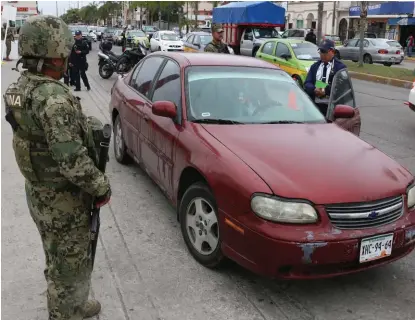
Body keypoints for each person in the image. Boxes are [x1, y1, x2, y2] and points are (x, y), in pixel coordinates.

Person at [3, 15, 111, 319]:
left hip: (38, 191)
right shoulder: (53, 99)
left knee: (56, 253)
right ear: (52, 54)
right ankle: (67, 312)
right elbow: (73, 161)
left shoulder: (20, 87)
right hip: (63, 198)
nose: (65, 60)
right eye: (63, 54)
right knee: (70, 263)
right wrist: (101, 187)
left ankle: (73, 303)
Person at [304, 39, 346, 116]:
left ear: (332, 52)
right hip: (315, 107)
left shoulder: (340, 68)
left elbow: (341, 89)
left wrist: (325, 90)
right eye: (320, 52)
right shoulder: (315, 66)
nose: (321, 55)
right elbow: (307, 83)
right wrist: (314, 89)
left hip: (332, 108)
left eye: (324, 52)